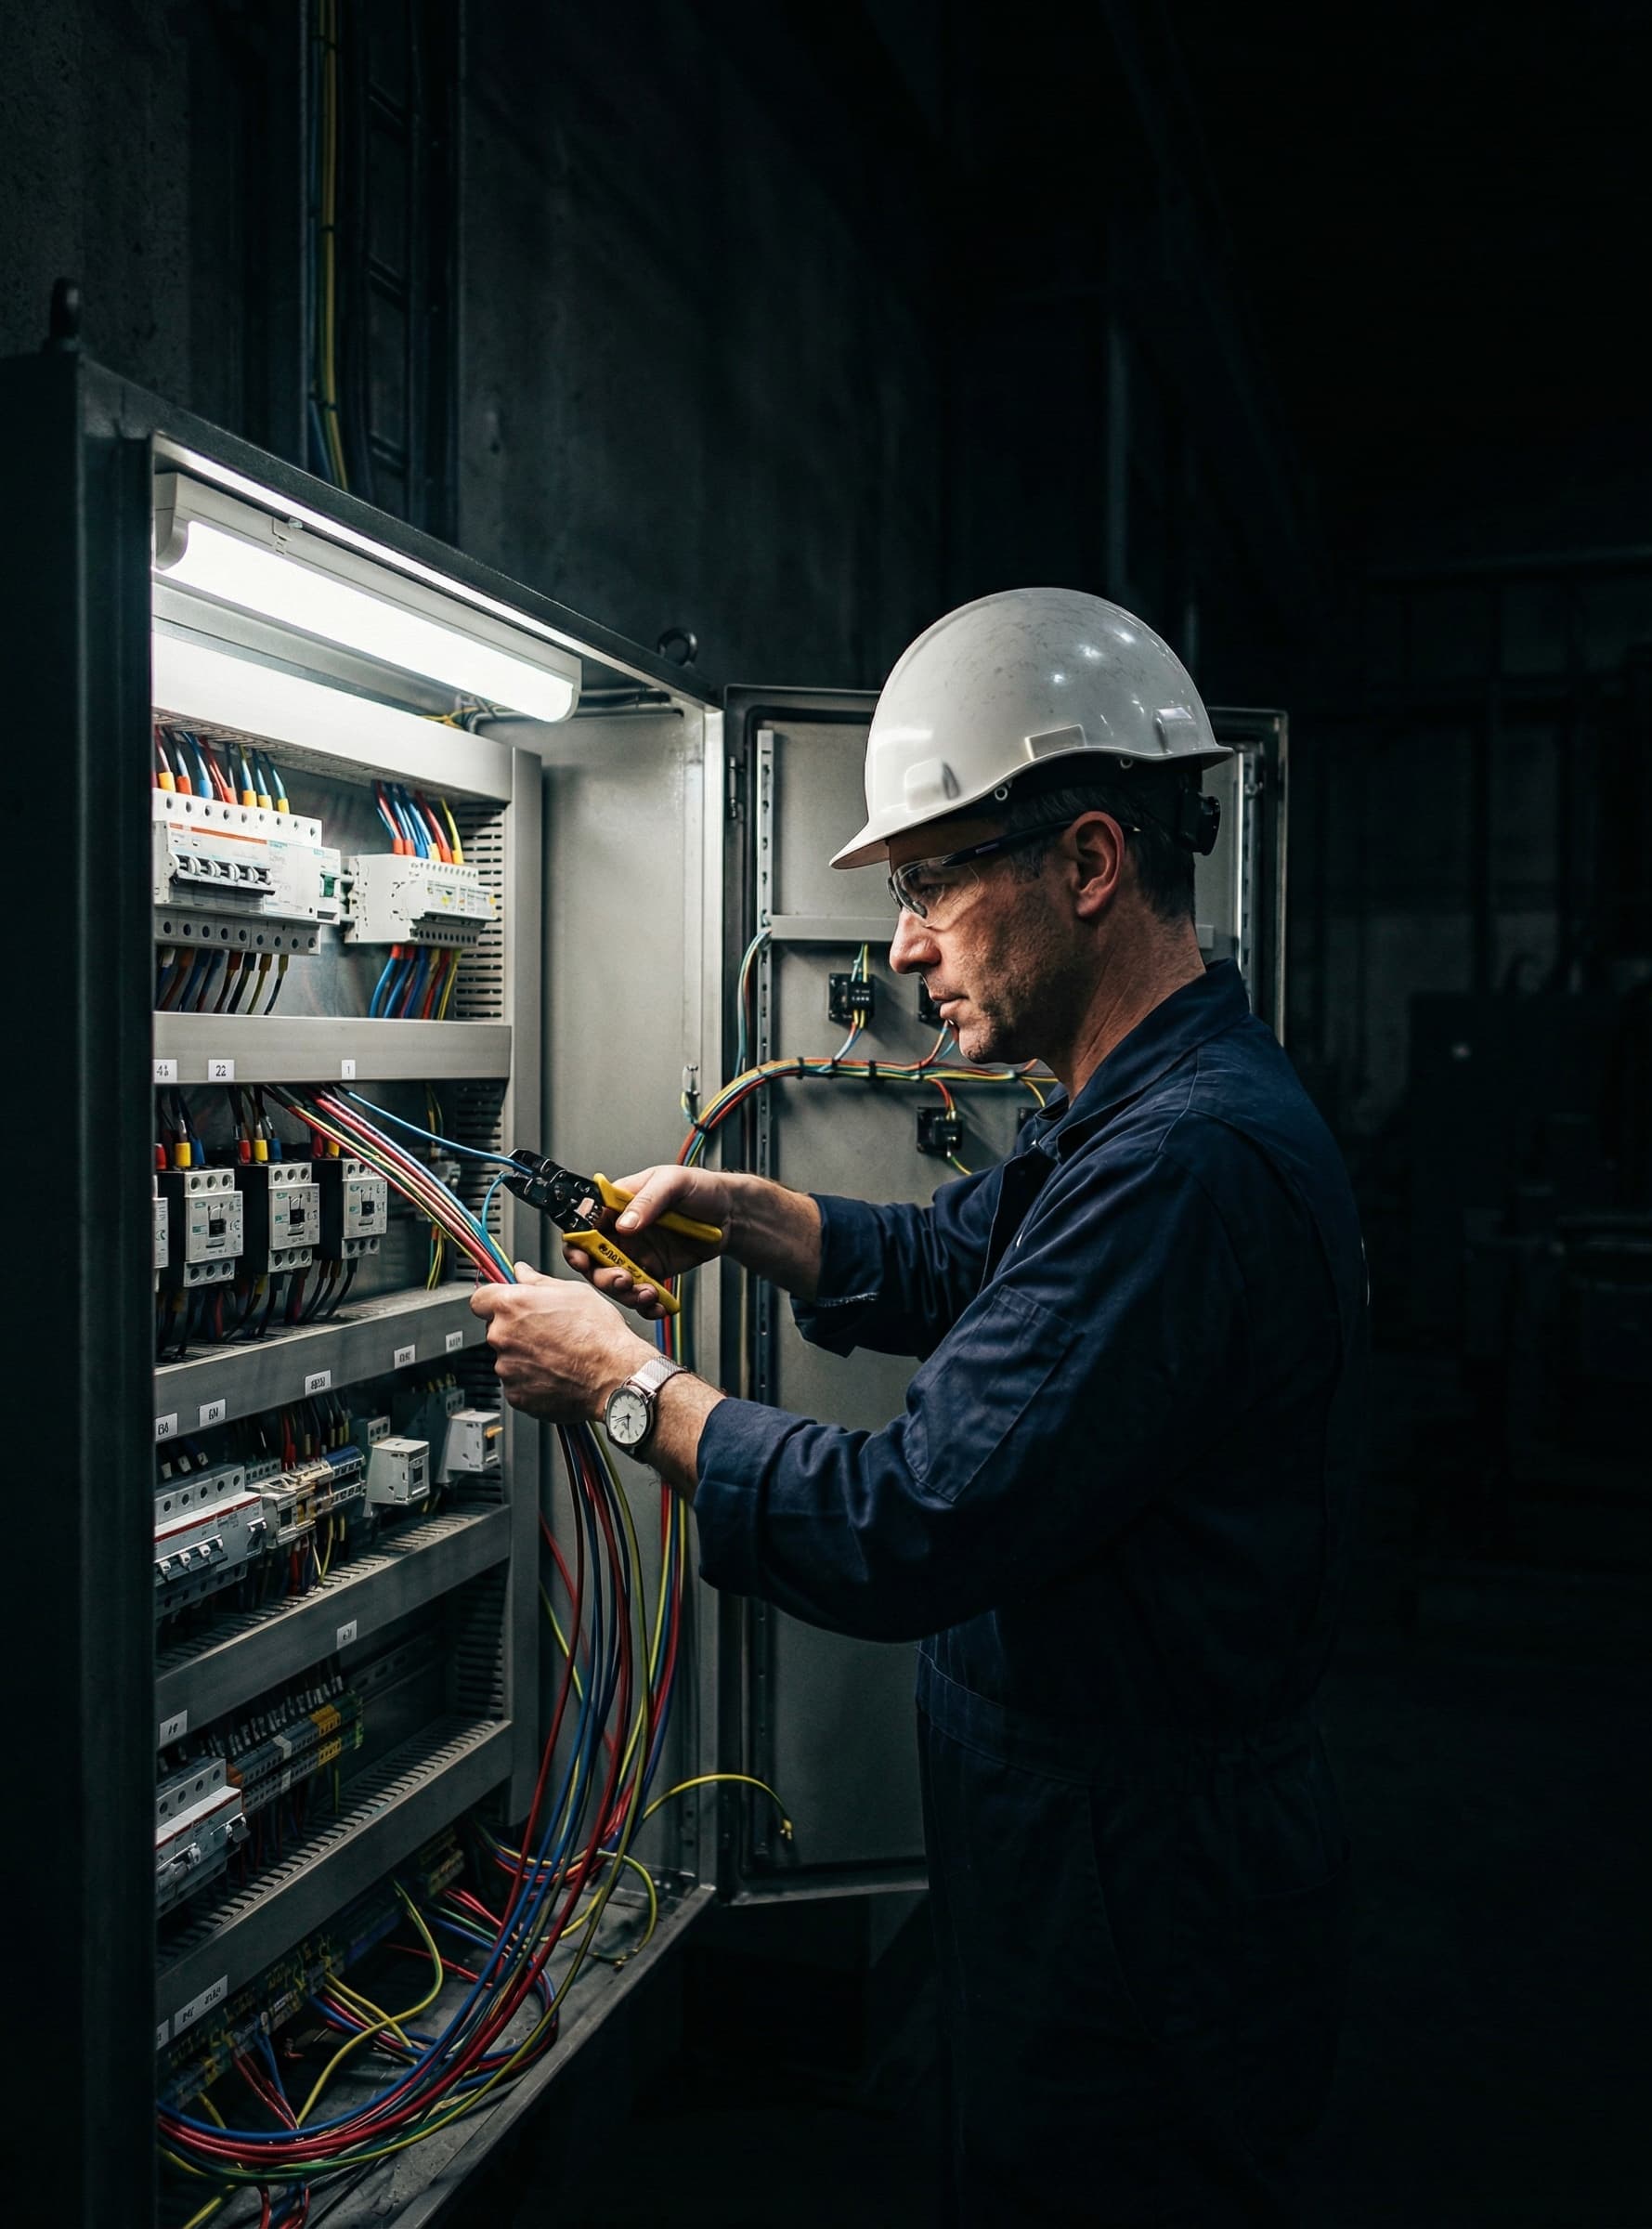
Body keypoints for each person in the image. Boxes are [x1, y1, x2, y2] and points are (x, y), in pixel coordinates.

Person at [472, 588, 1369, 2227]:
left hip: (1140, 1896)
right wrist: (740, 1209)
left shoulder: (1183, 1165)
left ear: (1088, 867)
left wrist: (623, 1390)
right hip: (1090, 1858)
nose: (897, 945)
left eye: (933, 883)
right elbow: (960, 1257)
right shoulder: (1137, 1110)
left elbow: (907, 1523)